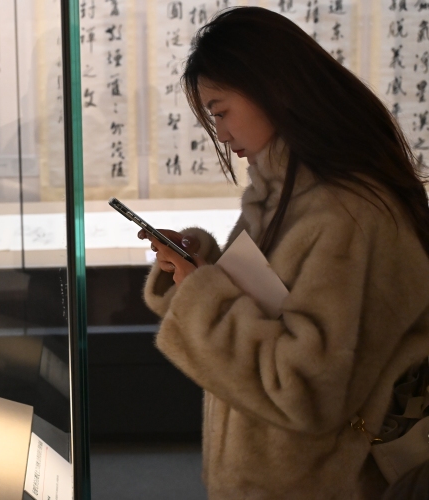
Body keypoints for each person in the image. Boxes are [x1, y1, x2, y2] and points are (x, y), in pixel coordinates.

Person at [138, 7, 429, 500]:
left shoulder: (346, 215)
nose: (221, 133)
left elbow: (305, 388)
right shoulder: (285, 193)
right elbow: (270, 308)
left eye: (220, 112)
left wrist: (202, 294)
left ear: (273, 90)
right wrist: (199, 268)